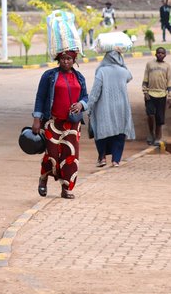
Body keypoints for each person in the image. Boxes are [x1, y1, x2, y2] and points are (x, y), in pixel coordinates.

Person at [32, 48, 88, 199]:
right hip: (53, 122)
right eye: (63, 58)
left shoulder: (80, 77)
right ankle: (43, 179)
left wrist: (81, 104)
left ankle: (66, 188)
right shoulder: (49, 76)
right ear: (58, 60)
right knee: (52, 155)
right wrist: (37, 119)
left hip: (72, 125)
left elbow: (85, 97)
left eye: (69, 59)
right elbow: (40, 97)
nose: (66, 61)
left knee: (70, 156)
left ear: (74, 60)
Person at [87, 44, 135, 168]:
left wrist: (89, 106)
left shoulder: (101, 71)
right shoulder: (123, 71)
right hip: (121, 107)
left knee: (101, 130)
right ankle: (116, 160)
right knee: (119, 133)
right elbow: (130, 76)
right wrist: (122, 63)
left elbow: (95, 90)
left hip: (104, 107)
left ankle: (102, 157)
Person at [142, 47, 171, 146]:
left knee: (159, 118)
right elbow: (145, 79)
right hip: (150, 94)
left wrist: (170, 97)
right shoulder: (149, 64)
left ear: (165, 55)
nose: (160, 54)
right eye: (158, 53)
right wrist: (145, 92)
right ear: (155, 54)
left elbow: (169, 81)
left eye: (162, 53)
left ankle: (158, 137)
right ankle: (151, 133)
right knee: (150, 115)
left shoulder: (167, 66)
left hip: (162, 95)